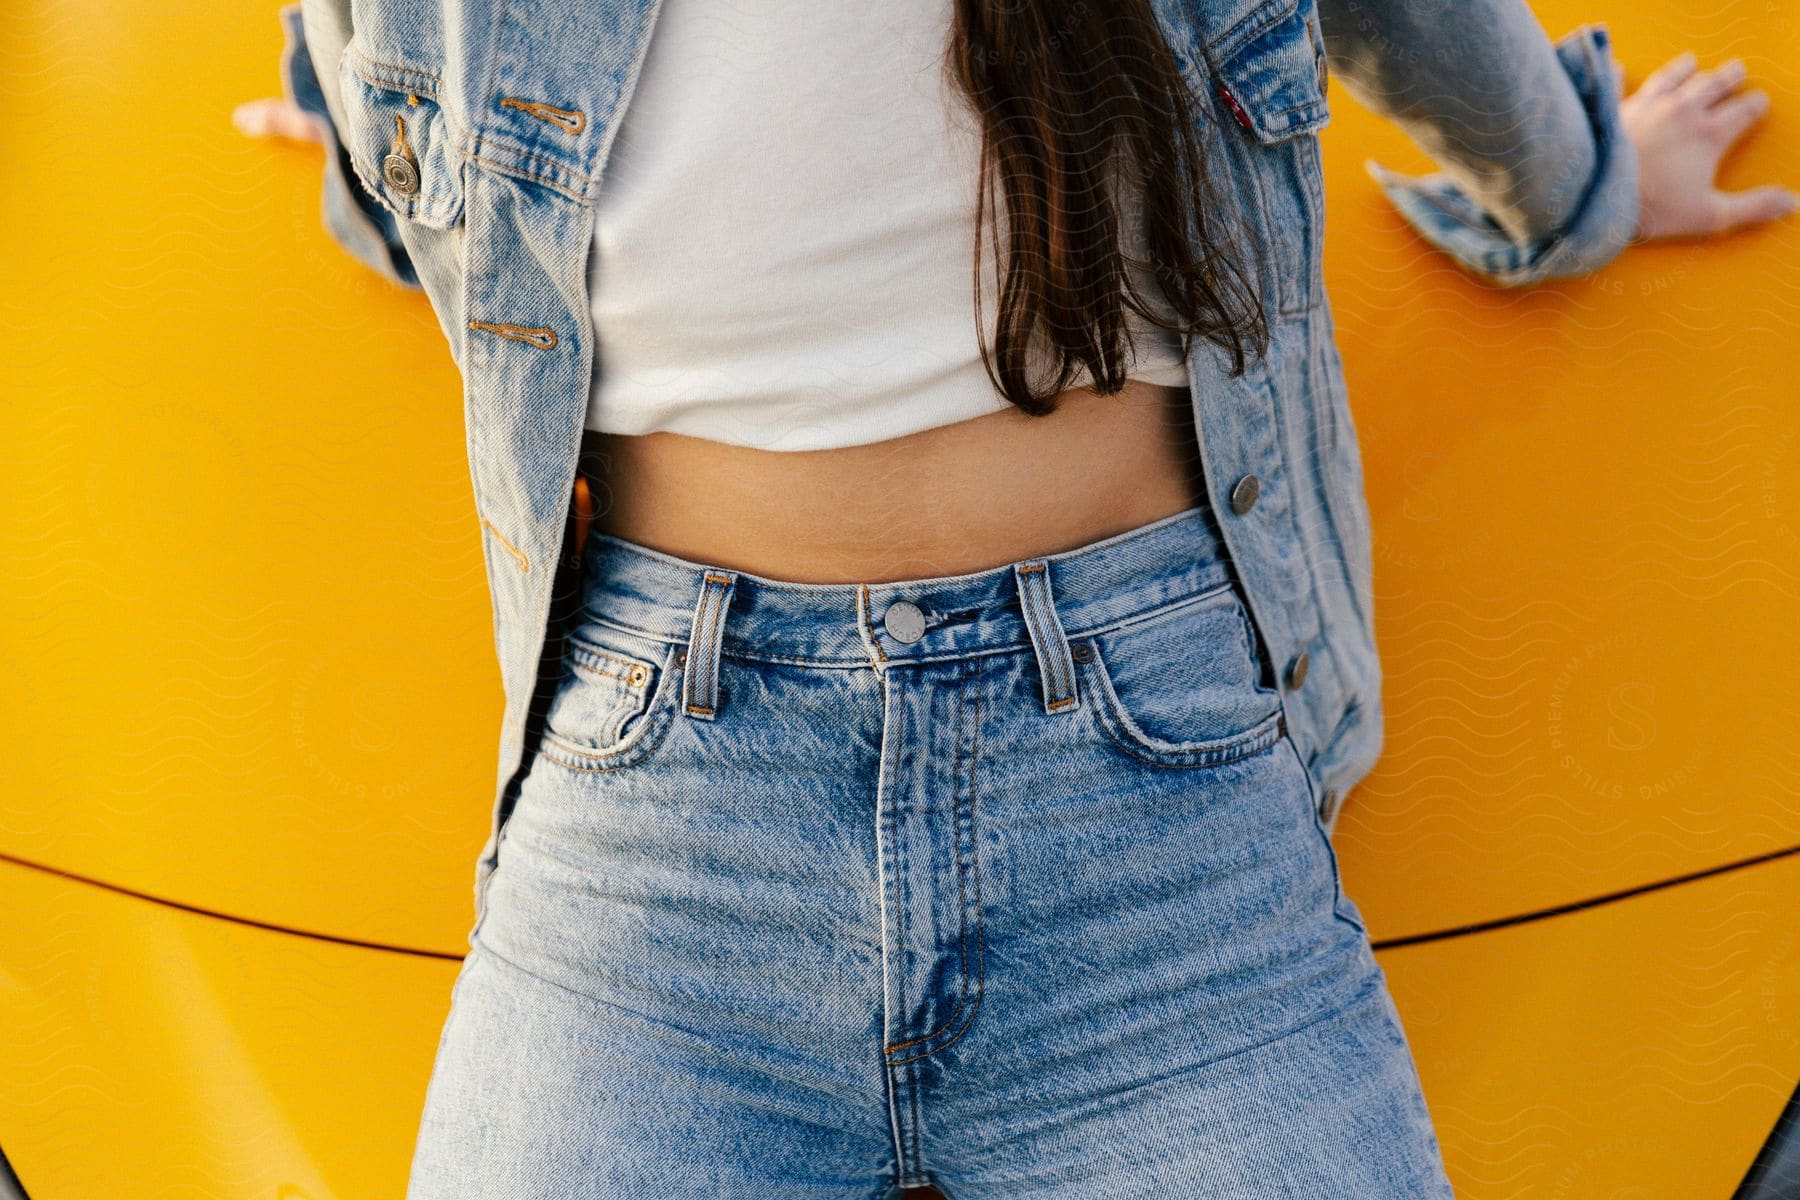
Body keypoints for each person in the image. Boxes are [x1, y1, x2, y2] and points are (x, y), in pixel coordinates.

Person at [239, 1, 1792, 1195]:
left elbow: (1414, 21)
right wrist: (363, 155)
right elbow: (402, 114)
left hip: (1150, 795)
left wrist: (1577, 181)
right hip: (664, 820)